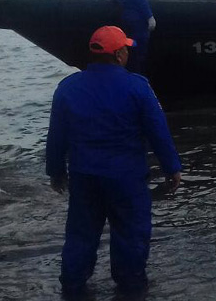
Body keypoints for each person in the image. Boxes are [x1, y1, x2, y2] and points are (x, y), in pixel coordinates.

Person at [46, 26, 182, 296]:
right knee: (131, 233)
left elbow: (56, 135)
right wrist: (172, 168)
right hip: (126, 177)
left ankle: (72, 285)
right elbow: (158, 130)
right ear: (119, 54)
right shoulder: (137, 86)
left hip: (84, 176)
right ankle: (130, 285)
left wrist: (55, 171)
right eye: (127, 49)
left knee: (81, 234)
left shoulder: (68, 87)